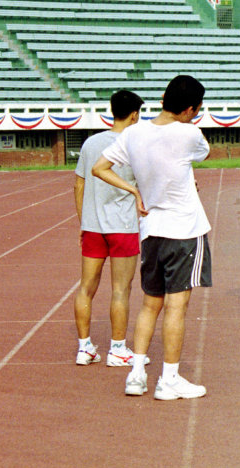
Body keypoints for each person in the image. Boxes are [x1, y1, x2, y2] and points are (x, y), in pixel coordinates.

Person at [92, 75, 211, 399]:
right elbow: (203, 155)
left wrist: (134, 190)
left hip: (150, 230)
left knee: (149, 304)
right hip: (184, 229)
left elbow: (100, 168)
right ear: (190, 109)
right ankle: (169, 379)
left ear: (162, 97)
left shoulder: (133, 133)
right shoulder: (190, 133)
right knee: (177, 306)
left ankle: (137, 374)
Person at [73, 90, 146, 367]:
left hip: (92, 226)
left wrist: (83, 220)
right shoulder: (135, 144)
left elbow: (79, 184)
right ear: (134, 114)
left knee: (86, 288)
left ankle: (84, 348)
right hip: (123, 226)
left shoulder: (91, 143)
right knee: (120, 290)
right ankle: (117, 349)